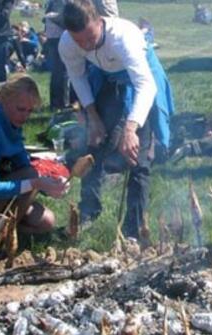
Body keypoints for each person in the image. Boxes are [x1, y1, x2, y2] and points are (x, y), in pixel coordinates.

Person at [58, 0, 174, 239]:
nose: (87, 46)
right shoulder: (68, 43)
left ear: (100, 21)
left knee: (137, 158)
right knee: (94, 144)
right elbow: (78, 78)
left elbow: (145, 85)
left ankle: (135, 226)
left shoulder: (123, 38)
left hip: (141, 79)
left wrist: (131, 129)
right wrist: (93, 116)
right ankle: (89, 212)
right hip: (106, 78)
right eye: (81, 41)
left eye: (91, 38)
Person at [0, 74, 70, 234]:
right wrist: (35, 183)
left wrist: (51, 186)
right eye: (20, 109)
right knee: (30, 176)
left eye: (29, 111)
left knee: (47, 222)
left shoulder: (10, 121)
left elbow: (23, 164)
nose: (25, 116)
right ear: (4, 99)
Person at [44, 0, 72, 110]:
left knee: (58, 72)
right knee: (63, 72)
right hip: (60, 38)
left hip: (54, 38)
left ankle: (55, 103)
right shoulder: (60, 2)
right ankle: (62, 103)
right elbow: (59, 19)